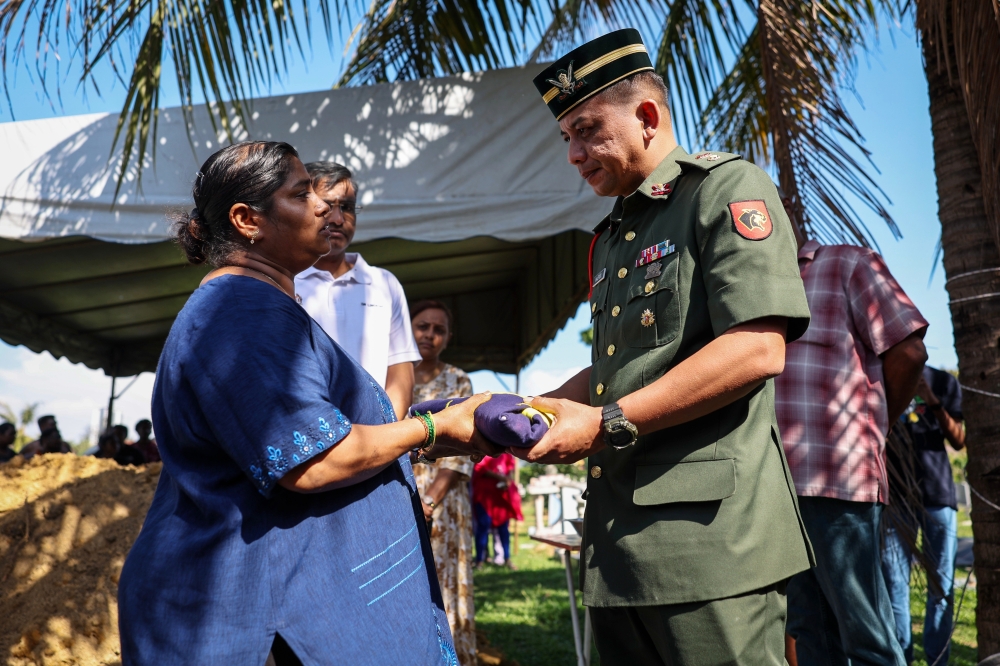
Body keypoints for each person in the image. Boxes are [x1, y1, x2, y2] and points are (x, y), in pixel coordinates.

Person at [117, 141, 497, 665]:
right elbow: (316, 458)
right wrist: (430, 431)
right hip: (249, 613)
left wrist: (418, 421)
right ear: (247, 220)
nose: (323, 205)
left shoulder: (260, 304)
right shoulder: (243, 311)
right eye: (302, 194)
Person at [520, 29, 814, 664]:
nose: (572, 153)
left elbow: (757, 349)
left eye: (586, 130)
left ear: (647, 118)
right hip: (620, 546)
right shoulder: (617, 232)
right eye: (565, 137)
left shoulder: (724, 191)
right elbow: (618, 369)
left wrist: (605, 423)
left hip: (709, 550)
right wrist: (530, 411)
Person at [773, 191, 928, 666]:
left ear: (782, 217)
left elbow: (909, 352)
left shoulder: (847, 265)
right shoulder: (744, 296)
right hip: (775, 493)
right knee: (809, 631)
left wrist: (876, 425)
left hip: (838, 482)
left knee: (866, 636)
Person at [295, 162, 421, 420]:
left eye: (348, 208)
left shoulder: (384, 283)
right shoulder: (284, 279)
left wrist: (387, 439)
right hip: (309, 438)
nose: (338, 219)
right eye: (328, 206)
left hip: (378, 440)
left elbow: (400, 374)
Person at [881, 366, 965, 665]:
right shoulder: (880, 375)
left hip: (938, 497)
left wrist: (931, 399)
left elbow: (958, 440)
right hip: (894, 500)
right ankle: (900, 659)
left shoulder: (943, 382)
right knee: (894, 586)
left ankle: (937, 660)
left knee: (941, 586)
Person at [410, 299, 477, 666]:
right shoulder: (394, 376)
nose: (430, 335)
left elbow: (461, 450)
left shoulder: (457, 380)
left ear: (448, 338)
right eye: (423, 327)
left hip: (444, 497)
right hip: (401, 491)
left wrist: (430, 500)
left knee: (445, 583)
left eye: (439, 330)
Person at [471, 453, 521, 570]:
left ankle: (507, 558)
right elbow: (480, 468)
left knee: (503, 528)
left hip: (500, 496)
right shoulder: (482, 451)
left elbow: (509, 470)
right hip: (484, 496)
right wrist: (500, 478)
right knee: (483, 527)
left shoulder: (507, 453)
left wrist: (507, 481)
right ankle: (479, 560)